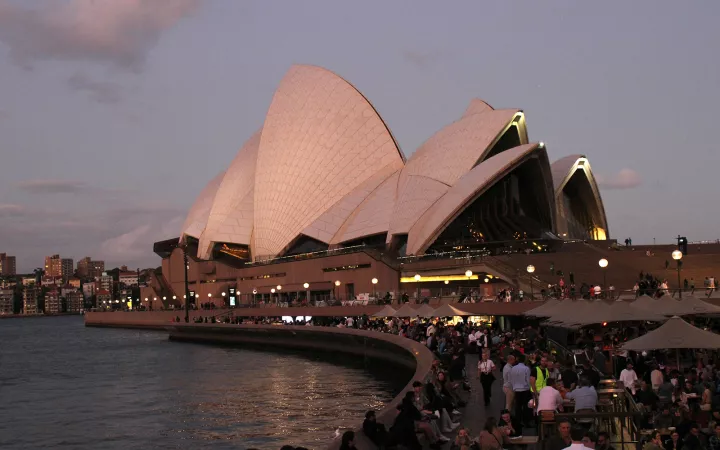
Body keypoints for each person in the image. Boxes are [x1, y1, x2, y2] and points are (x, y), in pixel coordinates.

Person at [510, 354, 533, 427]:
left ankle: (518, 421)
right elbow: (528, 380)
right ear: (524, 360)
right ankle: (526, 421)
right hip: (525, 389)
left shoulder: (513, 368)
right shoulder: (526, 368)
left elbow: (511, 379)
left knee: (518, 406)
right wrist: (531, 389)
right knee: (526, 406)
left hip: (516, 389)